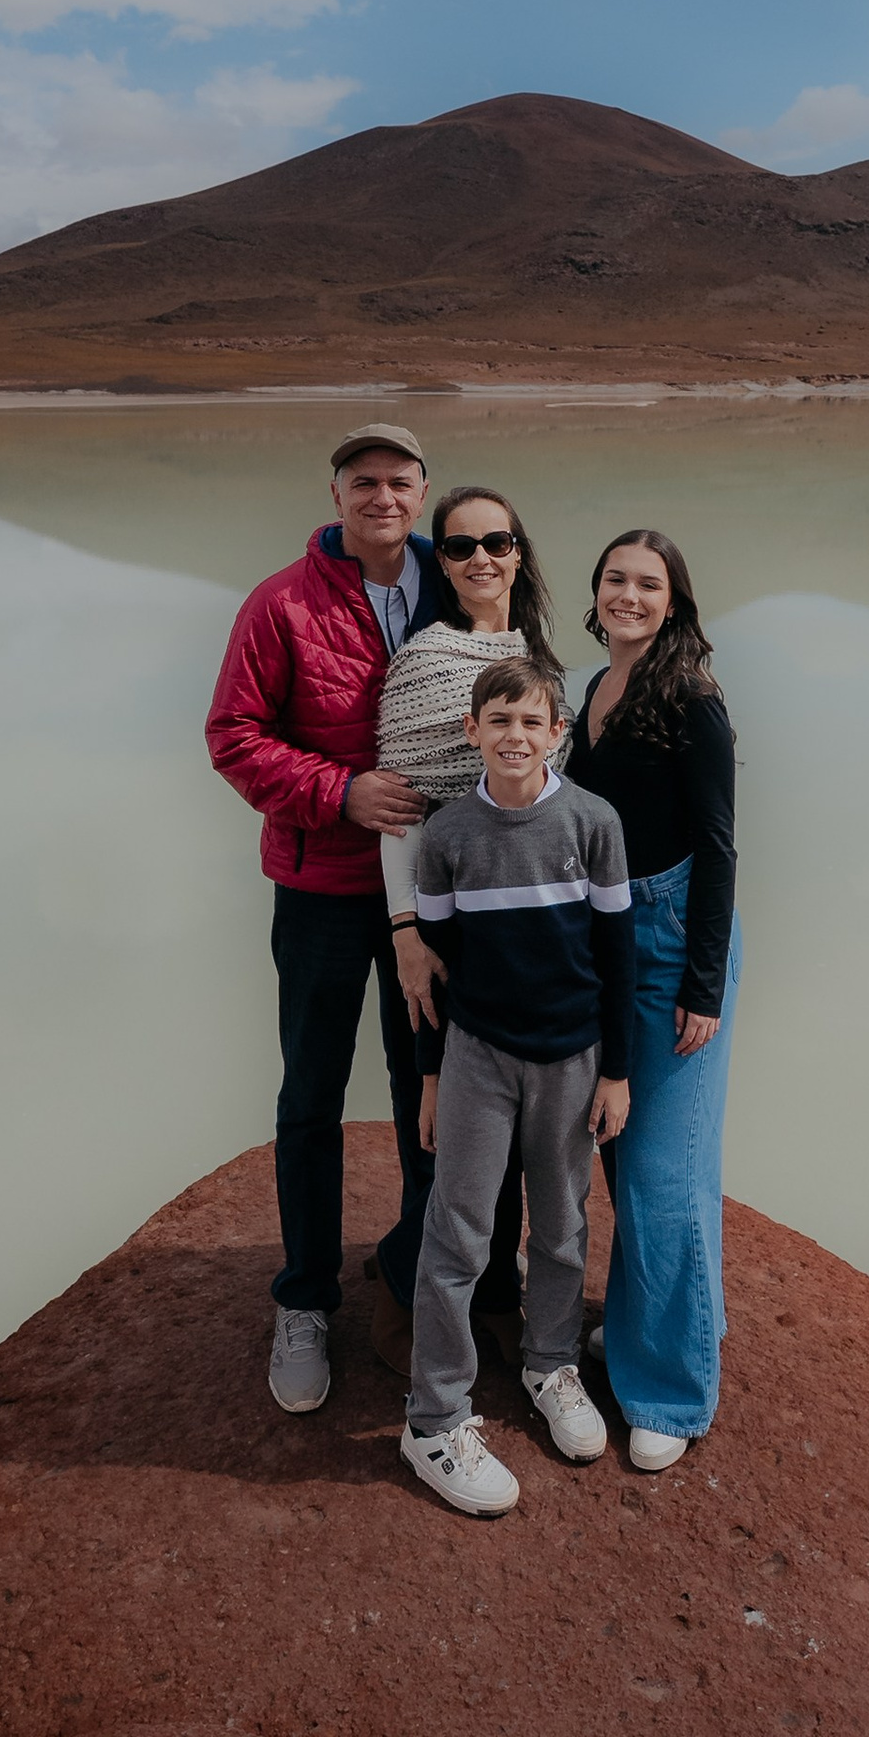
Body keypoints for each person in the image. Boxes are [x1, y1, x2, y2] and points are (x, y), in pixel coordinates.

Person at [204, 423, 442, 1414]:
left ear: (422, 492)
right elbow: (233, 736)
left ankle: (416, 1274)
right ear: (335, 494)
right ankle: (304, 1297)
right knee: (311, 1092)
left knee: (427, 1086)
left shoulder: (456, 583)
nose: (382, 496)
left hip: (431, 895)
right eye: (363, 481)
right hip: (322, 890)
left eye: (399, 481)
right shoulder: (282, 603)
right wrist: (340, 792)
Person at [399, 658, 633, 1517]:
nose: (515, 736)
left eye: (533, 722)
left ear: (556, 734)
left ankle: (550, 1364)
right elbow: (434, 970)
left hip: (572, 1058)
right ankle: (434, 1418)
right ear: (472, 731)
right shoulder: (448, 835)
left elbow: (617, 957)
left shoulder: (593, 822)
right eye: (499, 721)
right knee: (458, 1233)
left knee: (563, 1223)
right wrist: (430, 1079)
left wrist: (618, 1071)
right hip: (478, 1056)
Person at [369, 485, 564, 1371]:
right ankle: (412, 1285)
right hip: (441, 926)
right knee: (441, 1121)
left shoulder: (540, 655)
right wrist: (406, 933)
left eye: (497, 540)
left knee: (514, 1124)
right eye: (459, 546)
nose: (481, 558)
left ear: (519, 551)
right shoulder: (423, 661)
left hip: (524, 926)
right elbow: (399, 812)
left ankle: (489, 1290)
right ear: (440, 564)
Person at [563, 527, 740, 1473]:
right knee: (624, 1150)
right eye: (614, 579)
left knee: (664, 1172)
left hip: (673, 942)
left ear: (674, 602)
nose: (628, 595)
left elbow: (718, 846)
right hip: (609, 937)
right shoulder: (595, 687)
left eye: (648, 584)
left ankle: (671, 1387)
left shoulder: (691, 699)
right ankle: (650, 1324)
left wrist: (703, 986)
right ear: (596, 592)